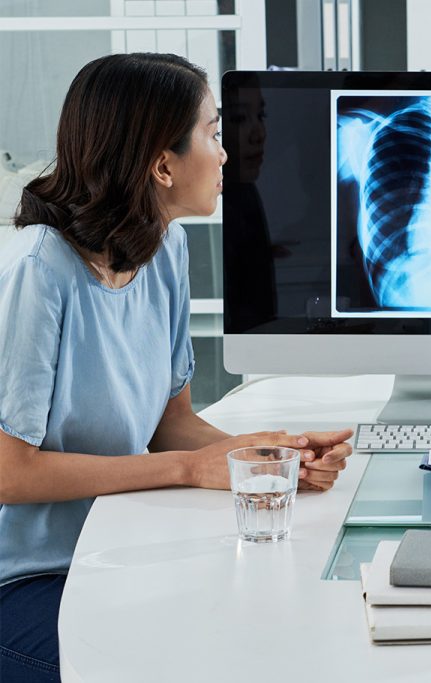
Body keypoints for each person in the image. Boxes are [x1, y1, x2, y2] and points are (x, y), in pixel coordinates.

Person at [0, 54, 352, 683]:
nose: (226, 154)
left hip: (119, 550)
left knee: (276, 631)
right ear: (162, 164)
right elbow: (9, 472)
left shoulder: (166, 250)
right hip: (29, 582)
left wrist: (273, 458)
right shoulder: (39, 272)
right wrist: (193, 469)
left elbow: (172, 424)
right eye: (214, 133)